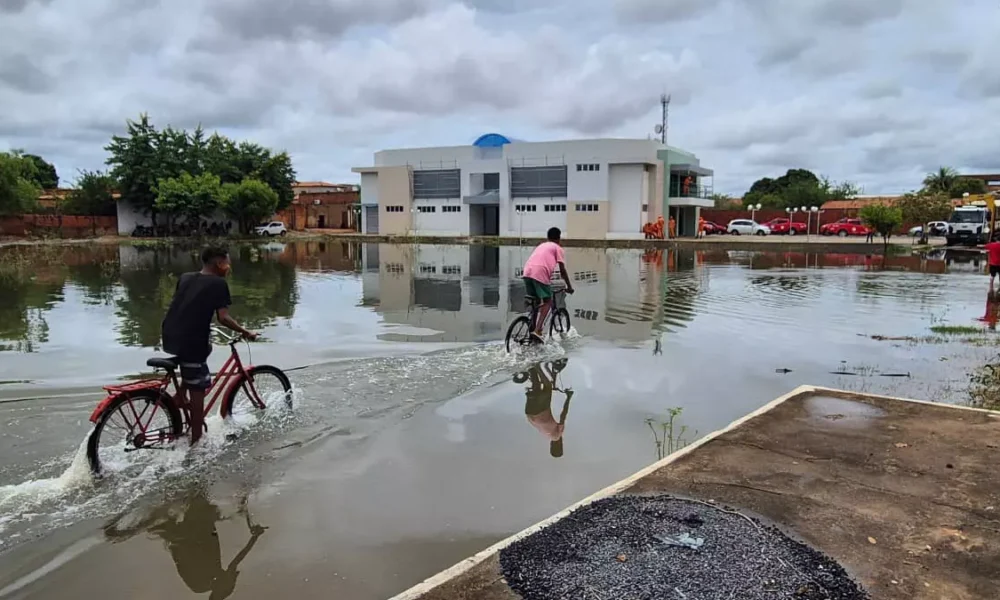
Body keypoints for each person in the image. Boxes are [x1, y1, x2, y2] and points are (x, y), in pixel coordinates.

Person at [161, 247, 257, 445]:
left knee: (206, 350)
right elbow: (223, 317)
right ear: (219, 264)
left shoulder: (186, 277)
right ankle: (197, 441)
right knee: (199, 388)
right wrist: (244, 332)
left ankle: (180, 395)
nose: (229, 267)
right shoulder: (218, 283)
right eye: (227, 263)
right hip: (191, 340)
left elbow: (187, 306)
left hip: (169, 335)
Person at [522, 227, 574, 342]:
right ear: (559, 238)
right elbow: (562, 270)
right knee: (548, 302)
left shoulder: (541, 245)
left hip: (526, 272)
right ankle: (538, 330)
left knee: (536, 302)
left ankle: (532, 332)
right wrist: (569, 286)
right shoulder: (557, 248)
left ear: (547, 237)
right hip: (540, 272)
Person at [520, 360, 573, 458]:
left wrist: (569, 397)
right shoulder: (547, 436)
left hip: (541, 412)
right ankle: (529, 364)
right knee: (536, 387)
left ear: (560, 445)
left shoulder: (557, 435)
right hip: (530, 415)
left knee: (547, 386)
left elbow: (563, 415)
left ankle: (536, 364)